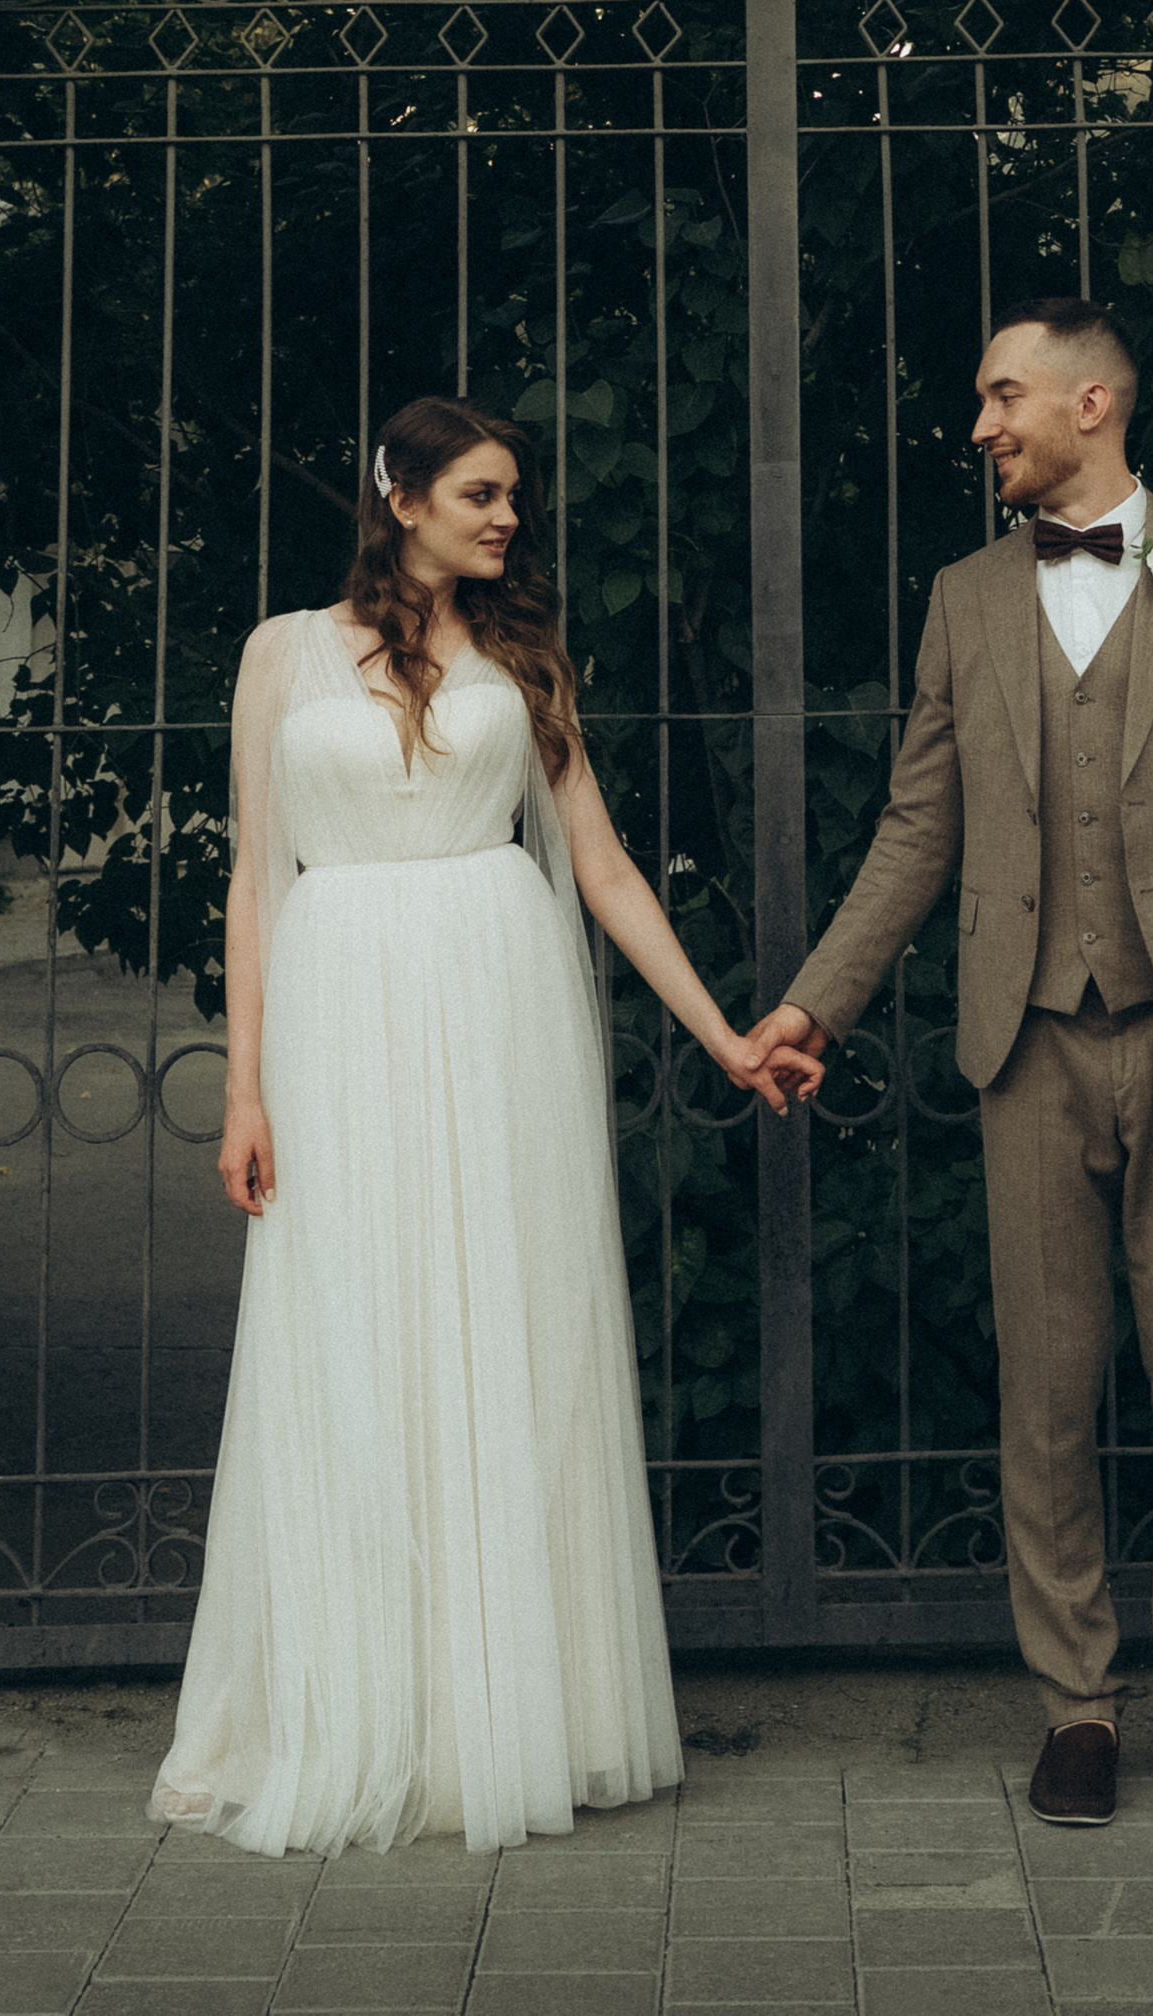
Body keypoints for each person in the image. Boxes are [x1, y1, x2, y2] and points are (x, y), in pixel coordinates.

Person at [152, 395, 820, 1858]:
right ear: (401, 495)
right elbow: (258, 880)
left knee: (495, 1330)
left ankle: (505, 1708)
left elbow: (605, 869)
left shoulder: (520, 663)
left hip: (495, 1007)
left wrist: (722, 1033)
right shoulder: (283, 653)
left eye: (514, 494)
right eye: (481, 491)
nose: (508, 516)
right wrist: (245, 1085)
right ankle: (347, 1707)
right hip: (340, 1014)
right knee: (352, 1333)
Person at [744, 300, 1153, 1833]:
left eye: (1003, 396)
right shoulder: (964, 599)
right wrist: (818, 1003)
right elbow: (919, 827)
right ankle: (1075, 1702)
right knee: (1047, 1391)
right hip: (1026, 1039)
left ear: (1094, 398)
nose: (982, 425)